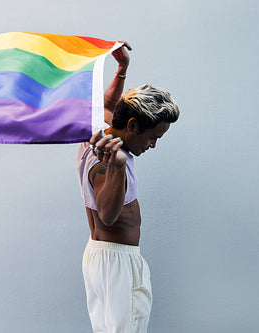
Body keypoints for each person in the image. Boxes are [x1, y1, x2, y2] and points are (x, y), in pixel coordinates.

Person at [76, 41, 180, 333]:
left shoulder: (98, 130)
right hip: (118, 264)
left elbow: (109, 105)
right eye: (152, 137)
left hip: (101, 257)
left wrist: (121, 71)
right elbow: (108, 216)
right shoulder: (107, 161)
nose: (153, 145)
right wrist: (118, 165)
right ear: (132, 125)